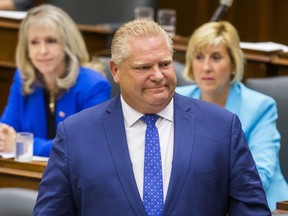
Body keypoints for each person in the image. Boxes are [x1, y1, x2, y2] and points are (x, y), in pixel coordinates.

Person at [33, 18, 270, 215]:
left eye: (165, 64)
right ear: (115, 70)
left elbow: (252, 210)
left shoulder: (221, 127)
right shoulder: (76, 135)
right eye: (144, 67)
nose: (158, 75)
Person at [176, 21, 288, 211]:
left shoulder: (260, 107)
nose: (206, 67)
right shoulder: (178, 99)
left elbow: (261, 175)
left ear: (234, 64)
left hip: (259, 206)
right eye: (199, 57)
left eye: (216, 57)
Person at [0, 4, 111, 157]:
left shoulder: (93, 86)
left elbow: (83, 146)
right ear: (26, 49)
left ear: (67, 45)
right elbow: (6, 131)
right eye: (34, 42)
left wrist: (23, 144)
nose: (42, 51)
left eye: (51, 41)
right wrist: (5, 138)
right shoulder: (23, 79)